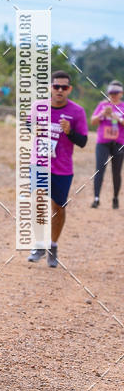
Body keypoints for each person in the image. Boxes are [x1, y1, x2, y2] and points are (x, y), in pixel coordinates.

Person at [28, 71, 88, 268]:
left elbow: (83, 142)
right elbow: (28, 124)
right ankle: (38, 244)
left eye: (64, 87)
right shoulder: (39, 106)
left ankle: (52, 246)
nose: (60, 90)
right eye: (56, 86)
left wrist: (70, 131)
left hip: (62, 168)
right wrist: (33, 128)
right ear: (51, 88)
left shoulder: (77, 112)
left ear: (69, 89)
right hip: (39, 163)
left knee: (58, 208)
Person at [90, 80, 124, 209]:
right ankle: (96, 198)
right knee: (99, 170)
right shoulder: (102, 105)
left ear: (121, 93)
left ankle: (115, 197)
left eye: (116, 93)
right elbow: (92, 121)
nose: (113, 95)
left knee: (116, 172)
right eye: (111, 93)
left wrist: (117, 118)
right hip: (103, 142)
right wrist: (103, 114)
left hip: (119, 142)